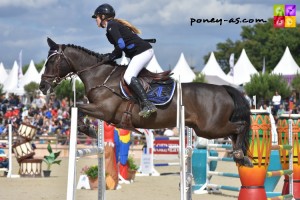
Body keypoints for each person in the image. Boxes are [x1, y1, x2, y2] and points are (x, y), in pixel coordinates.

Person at [92, 3, 157, 118]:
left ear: (102, 17)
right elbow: (119, 50)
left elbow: (120, 45)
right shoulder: (111, 27)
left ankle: (148, 104)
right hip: (141, 52)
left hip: (142, 52)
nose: (95, 20)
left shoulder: (111, 25)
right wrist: (109, 56)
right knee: (131, 75)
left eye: (96, 17)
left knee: (128, 76)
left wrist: (111, 56)